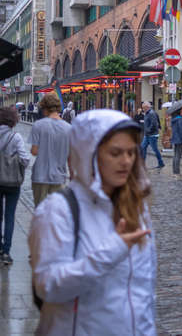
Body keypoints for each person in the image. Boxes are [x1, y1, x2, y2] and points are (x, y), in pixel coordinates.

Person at [29, 109, 156, 335]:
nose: (126, 161)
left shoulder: (135, 207)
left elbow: (142, 292)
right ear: (90, 154)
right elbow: (48, 286)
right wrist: (112, 251)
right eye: (115, 153)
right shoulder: (58, 211)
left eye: (130, 152)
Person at [29, 93, 71, 207]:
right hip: (59, 176)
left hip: (40, 175)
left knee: (40, 211)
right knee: (56, 213)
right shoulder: (68, 128)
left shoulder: (38, 125)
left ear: (44, 107)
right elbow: (71, 157)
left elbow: (34, 151)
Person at [0, 107, 30, 265]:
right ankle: (6, 252)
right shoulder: (16, 137)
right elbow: (25, 159)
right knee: (10, 216)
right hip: (12, 182)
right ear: (13, 119)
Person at [140, 101, 165, 169]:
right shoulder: (147, 113)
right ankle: (142, 163)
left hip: (152, 135)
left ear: (147, 107)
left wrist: (148, 130)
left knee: (155, 149)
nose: (143, 109)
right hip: (147, 135)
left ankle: (161, 163)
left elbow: (154, 124)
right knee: (143, 147)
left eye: (143, 108)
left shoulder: (151, 113)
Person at [171, 107, 182, 180]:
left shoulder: (174, 118)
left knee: (175, 155)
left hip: (175, 138)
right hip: (180, 139)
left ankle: (175, 172)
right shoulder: (180, 119)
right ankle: (177, 173)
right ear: (179, 111)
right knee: (178, 156)